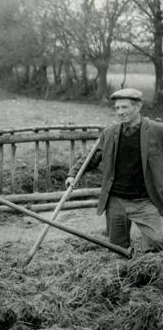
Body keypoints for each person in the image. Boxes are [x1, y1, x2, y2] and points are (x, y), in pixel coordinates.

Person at [66, 88, 163, 253]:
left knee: (157, 242)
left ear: (138, 106)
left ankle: (150, 273)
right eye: (117, 108)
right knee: (117, 249)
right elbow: (92, 157)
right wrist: (73, 174)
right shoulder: (110, 133)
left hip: (145, 200)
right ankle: (125, 274)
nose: (120, 112)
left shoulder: (157, 130)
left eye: (125, 107)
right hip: (116, 200)